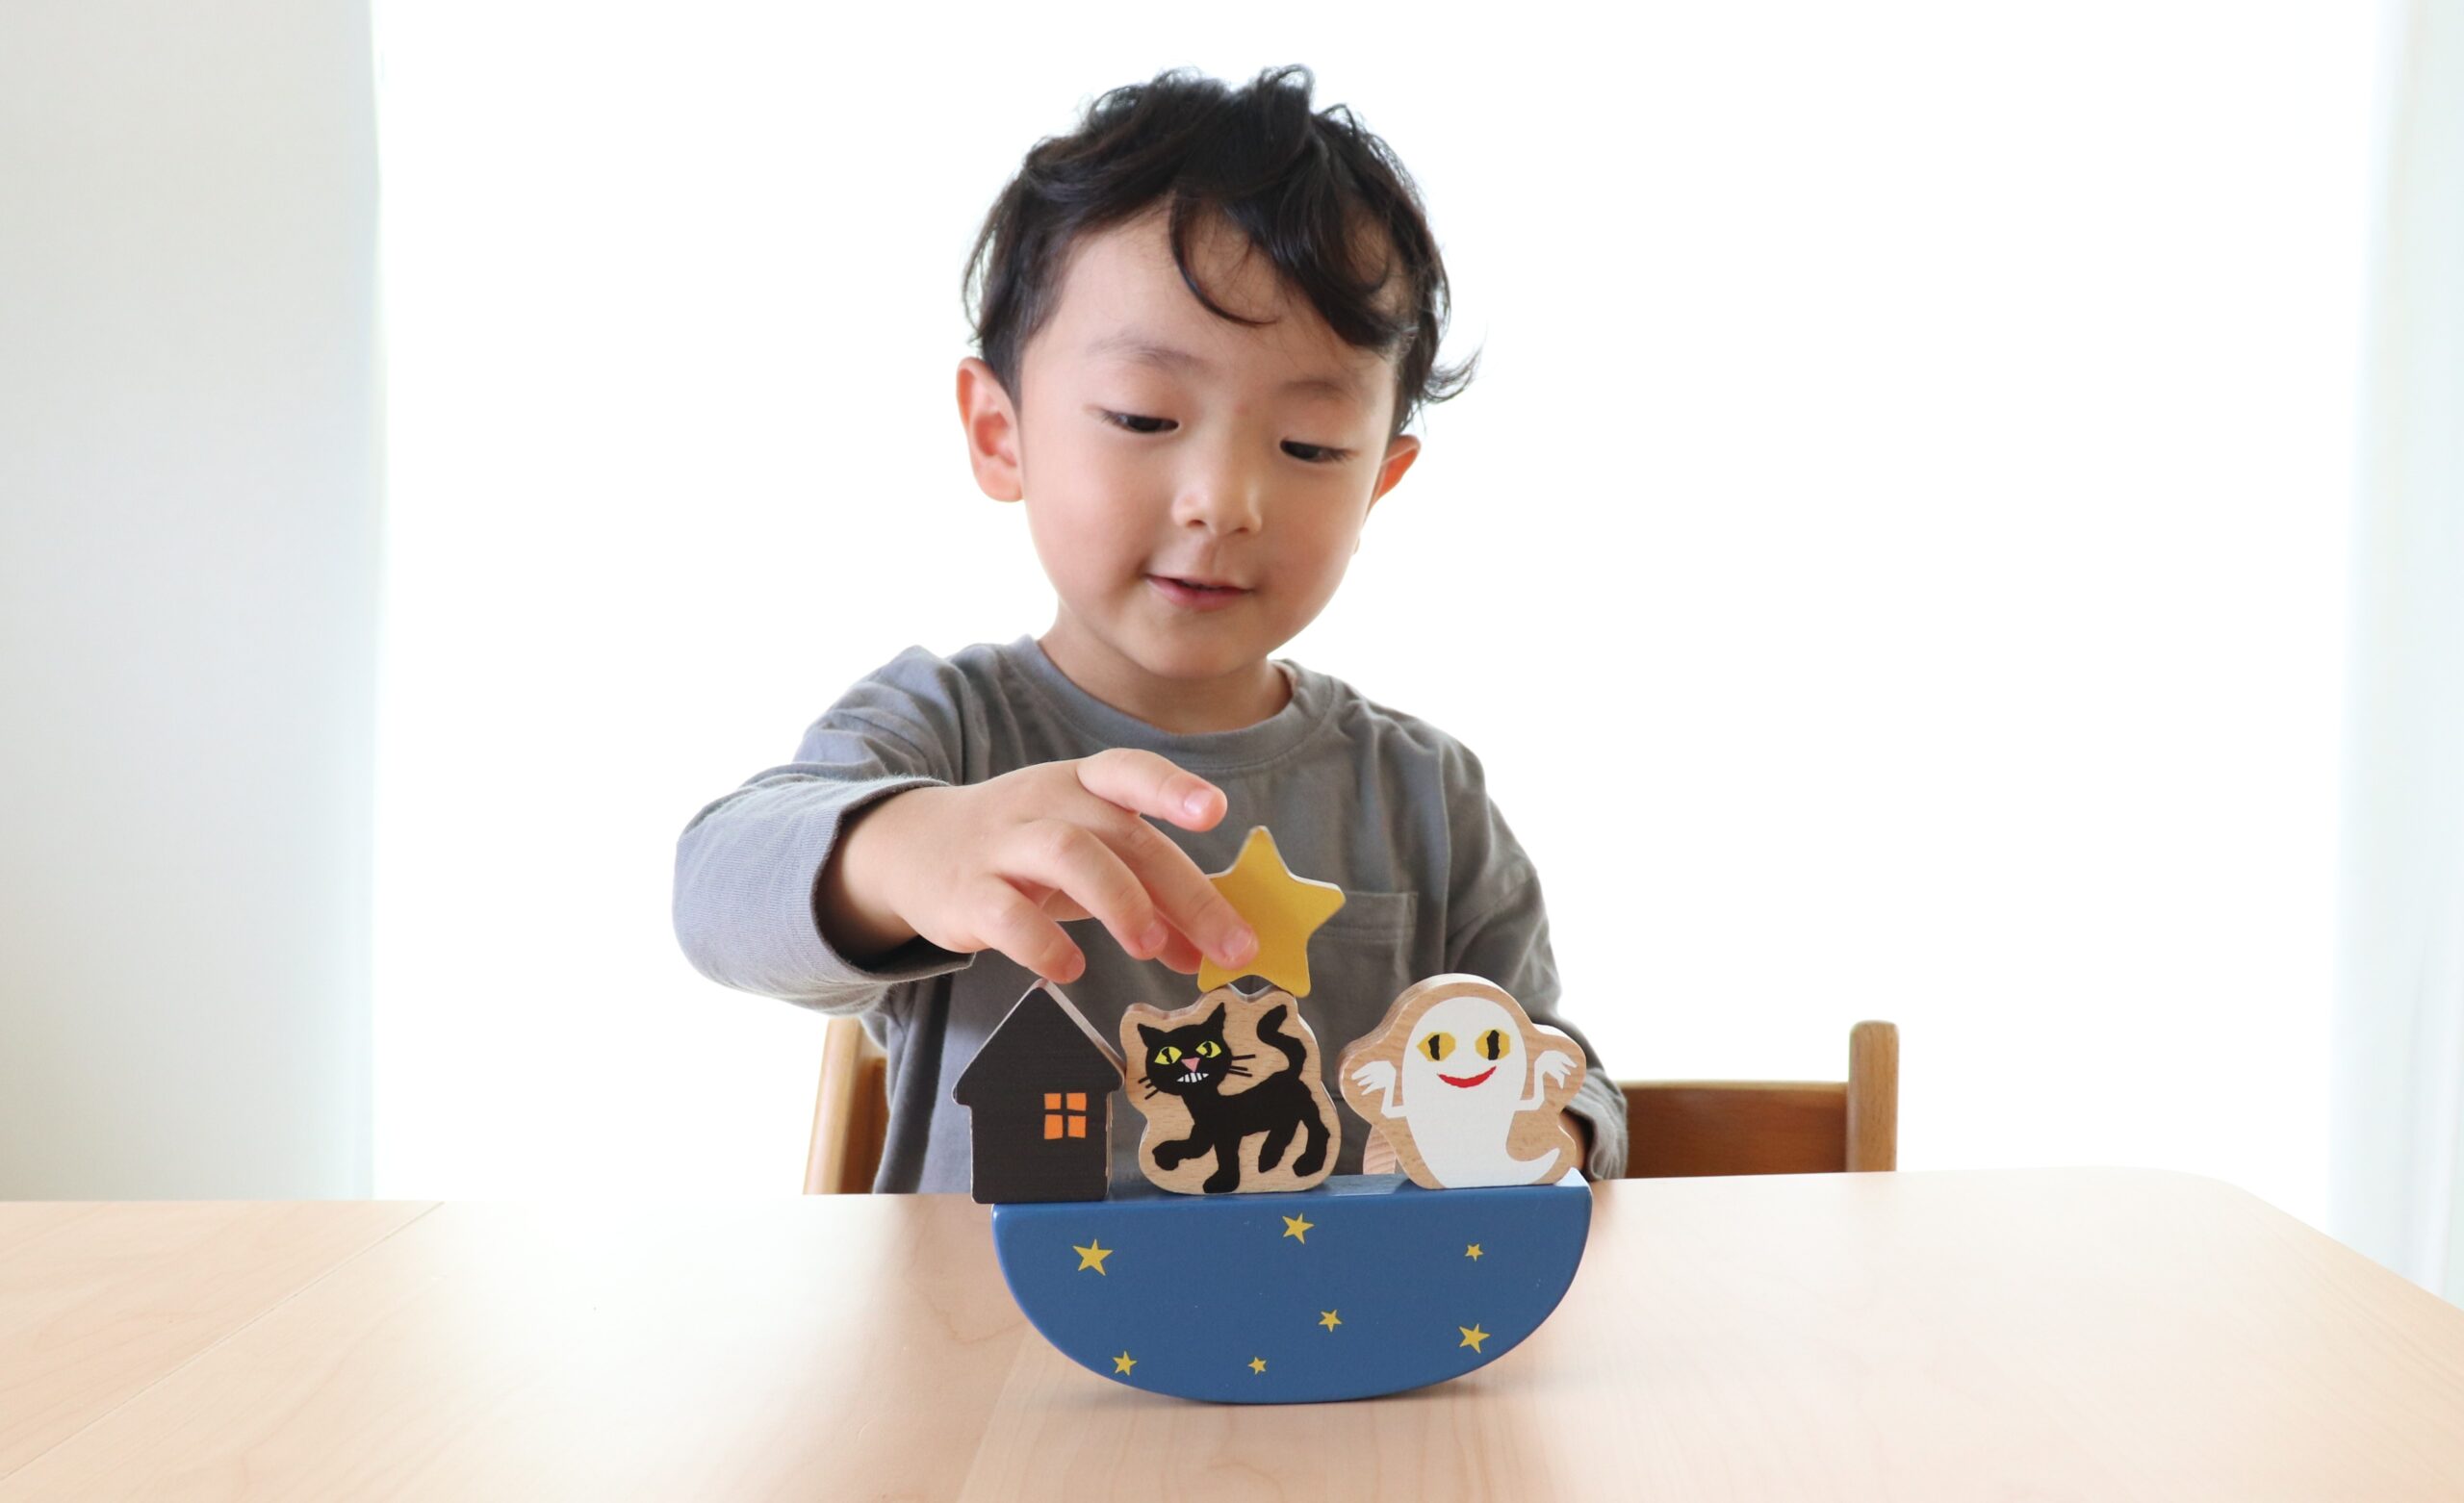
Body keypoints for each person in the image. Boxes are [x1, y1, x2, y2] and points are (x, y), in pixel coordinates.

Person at [673, 64, 1629, 1193]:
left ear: (1378, 481)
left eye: (1311, 446)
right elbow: (718, 889)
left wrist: (1543, 1136)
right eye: (1142, 416)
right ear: (1000, 432)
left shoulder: (1423, 795)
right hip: (985, 1312)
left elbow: (1558, 1065)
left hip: (1332, 1309)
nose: (1223, 500)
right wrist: (911, 846)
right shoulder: (945, 728)